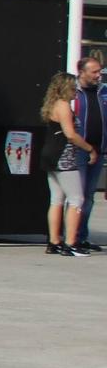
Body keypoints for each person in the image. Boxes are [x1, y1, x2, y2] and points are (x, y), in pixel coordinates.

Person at [40, 71, 94, 257]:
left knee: (56, 199)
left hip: (50, 156)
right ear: (65, 88)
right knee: (76, 199)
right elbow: (70, 134)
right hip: (64, 157)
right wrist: (89, 149)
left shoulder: (52, 105)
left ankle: (54, 241)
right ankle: (71, 243)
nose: (75, 91)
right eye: (73, 87)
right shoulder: (63, 106)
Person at [71, 56, 104, 250]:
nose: (98, 75)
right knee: (77, 195)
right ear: (81, 72)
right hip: (77, 150)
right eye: (94, 72)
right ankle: (70, 237)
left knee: (89, 196)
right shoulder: (72, 92)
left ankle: (82, 236)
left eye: (99, 71)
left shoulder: (104, 92)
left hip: (99, 150)